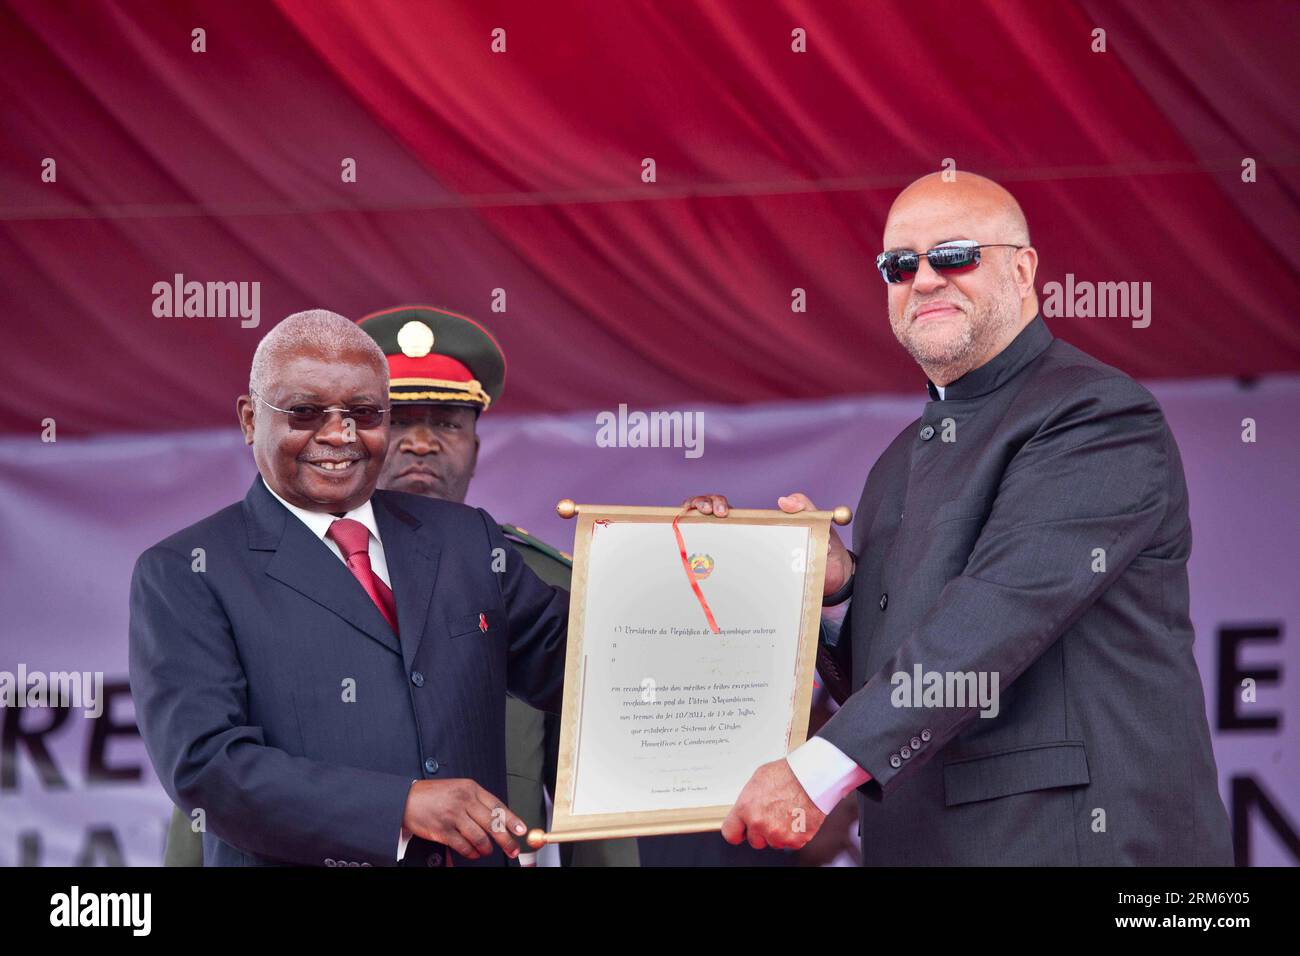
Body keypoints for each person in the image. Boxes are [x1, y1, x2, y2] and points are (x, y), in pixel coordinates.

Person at [692, 171, 1233, 865]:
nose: (923, 279)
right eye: (899, 264)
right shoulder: (894, 466)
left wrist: (816, 770)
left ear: (1023, 269)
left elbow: (992, 620)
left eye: (954, 255)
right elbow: (893, 669)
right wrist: (836, 593)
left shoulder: (1096, 416)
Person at [161, 305, 639, 867]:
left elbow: (604, 679)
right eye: (307, 412)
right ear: (250, 420)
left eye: (362, 413)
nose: (339, 433)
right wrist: (400, 806)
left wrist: (705, 568)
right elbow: (207, 770)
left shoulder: (476, 547)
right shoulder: (195, 568)